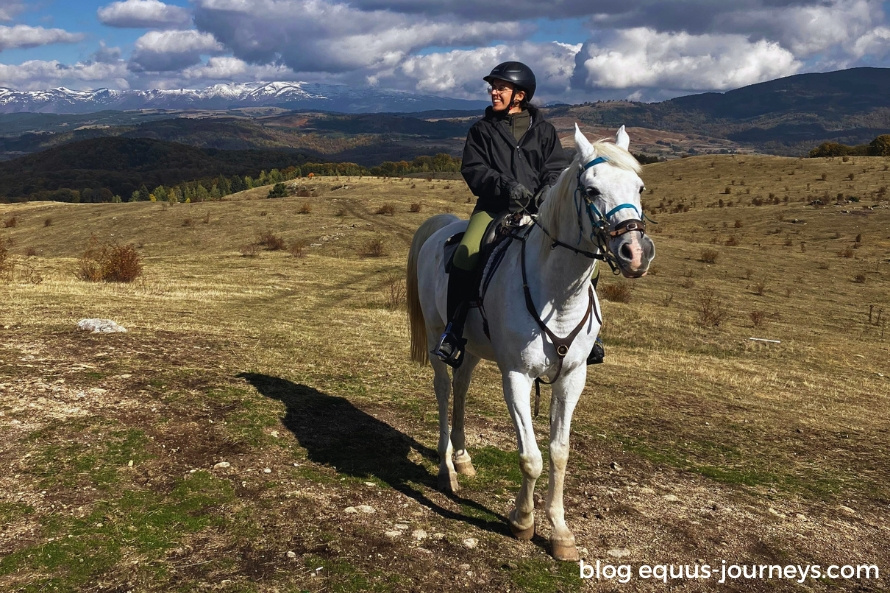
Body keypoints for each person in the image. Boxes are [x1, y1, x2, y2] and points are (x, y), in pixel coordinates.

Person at [433, 61, 604, 368]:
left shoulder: (545, 131)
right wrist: (505, 186)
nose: (493, 92)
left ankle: (590, 336)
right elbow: (473, 169)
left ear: (520, 95)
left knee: (586, 259)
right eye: (492, 87)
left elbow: (555, 169)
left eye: (500, 87)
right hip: (494, 208)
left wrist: (547, 190)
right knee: (465, 254)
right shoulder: (481, 130)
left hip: (541, 211)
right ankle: (453, 332)